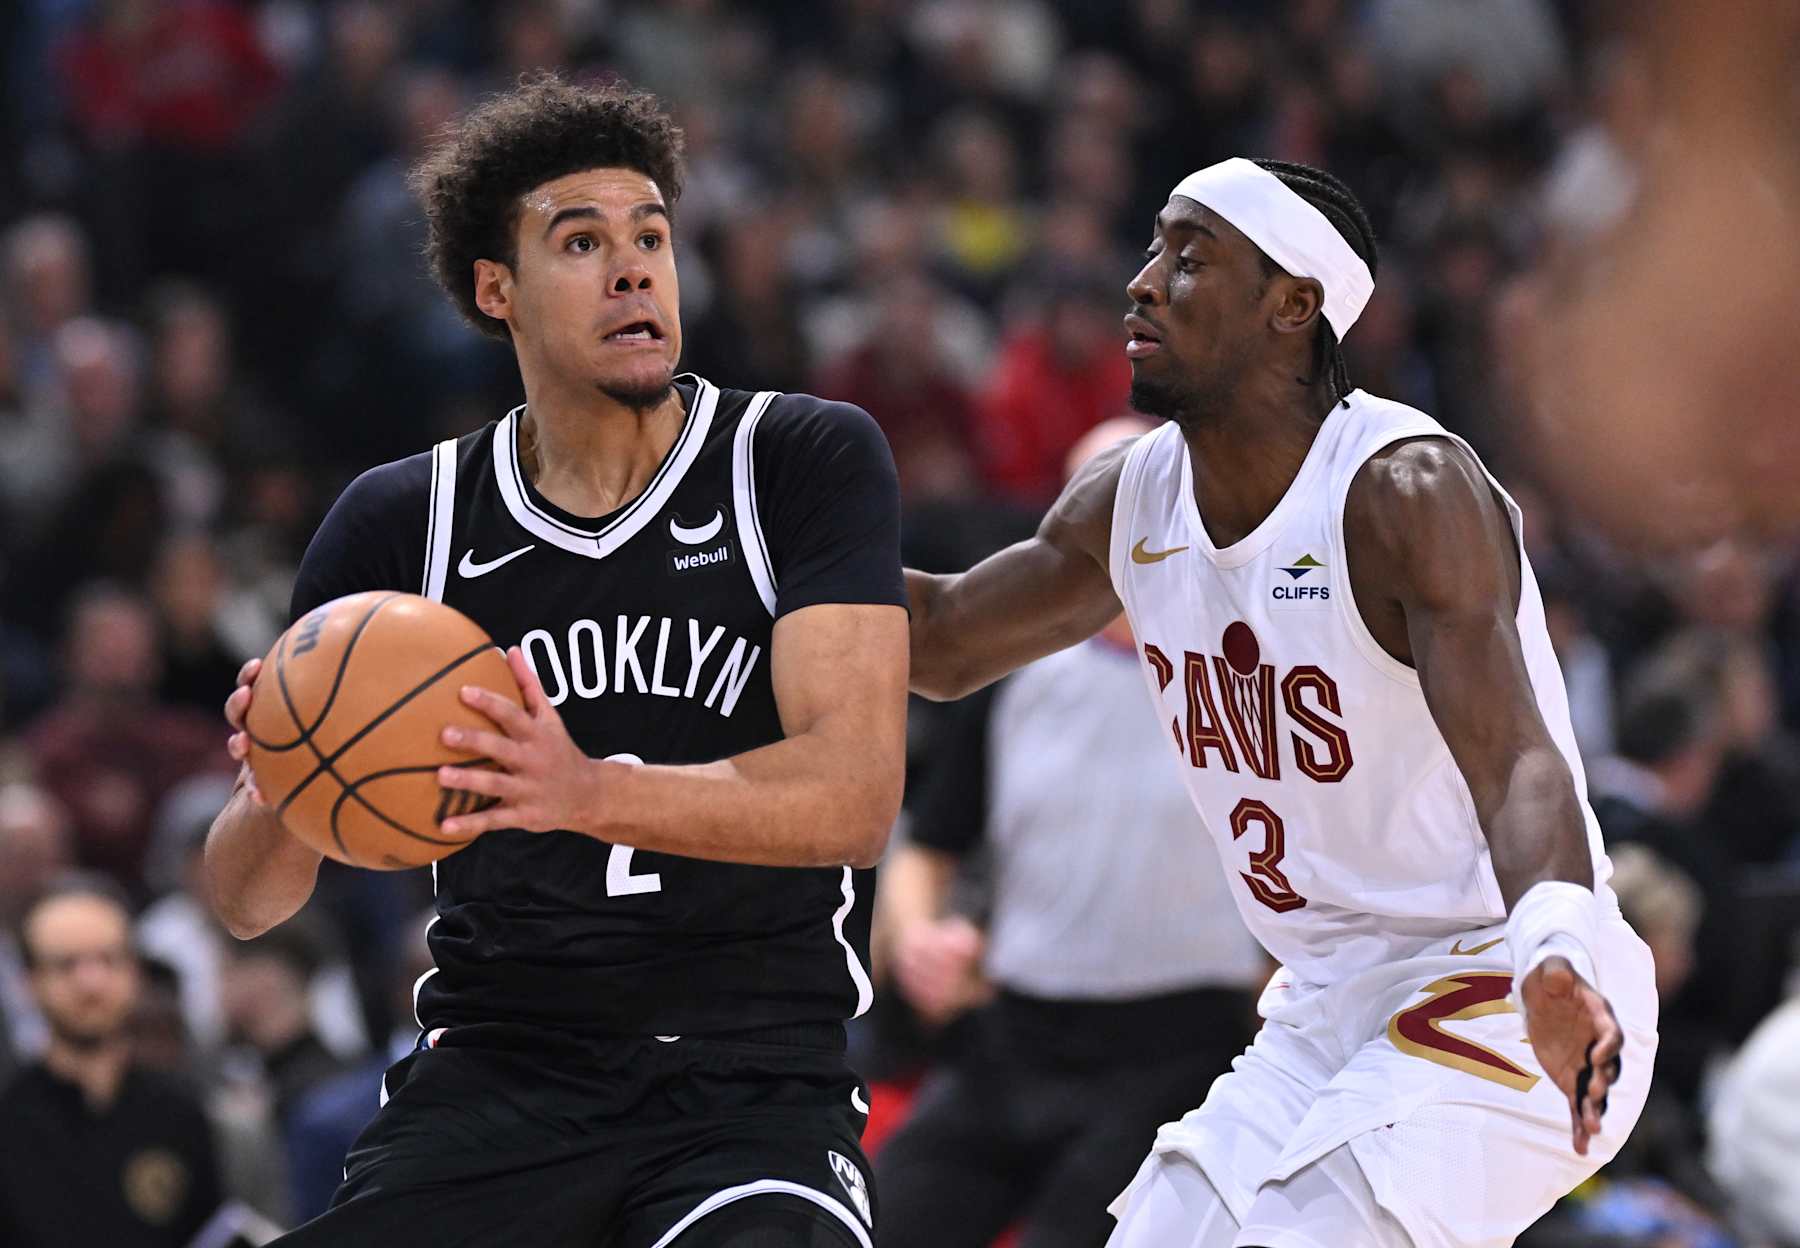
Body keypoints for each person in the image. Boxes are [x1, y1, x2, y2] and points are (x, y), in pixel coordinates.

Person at [205, 74, 907, 1248]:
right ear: (498, 290)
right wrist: (285, 772)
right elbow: (242, 899)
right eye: (580, 241)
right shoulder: (401, 522)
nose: (633, 268)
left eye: (651, 237)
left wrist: (582, 791)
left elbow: (853, 798)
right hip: (498, 1075)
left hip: (749, 1085)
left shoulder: (795, 459)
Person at [905, 156, 1657, 1247]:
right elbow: (940, 641)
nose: (1142, 283)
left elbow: (1523, 763)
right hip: (1324, 1002)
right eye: (1154, 248)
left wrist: (1554, 952)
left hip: (1506, 984)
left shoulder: (1401, 487)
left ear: (1291, 306)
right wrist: (728, 545)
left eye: (1188, 256)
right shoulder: (1135, 495)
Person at [877, 416, 1267, 1248]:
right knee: (871, 1223)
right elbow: (928, 844)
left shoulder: (1255, 669)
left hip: (1184, 1050)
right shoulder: (1011, 672)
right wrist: (919, 940)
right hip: (1014, 1037)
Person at [0, 874, 224, 1247]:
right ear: (27, 982)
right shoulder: (8, 1120)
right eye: (66, 964)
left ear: (135, 971)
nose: (91, 983)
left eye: (108, 959)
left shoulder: (181, 1114)